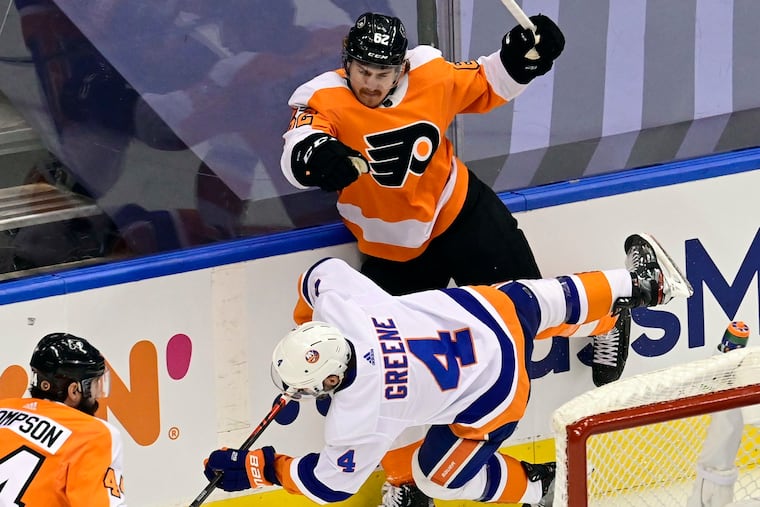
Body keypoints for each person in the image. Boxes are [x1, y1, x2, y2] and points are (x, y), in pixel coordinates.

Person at [280, 12, 570, 504]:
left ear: (400, 69)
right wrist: (320, 158)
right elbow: (299, 147)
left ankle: (609, 317)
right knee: (399, 377)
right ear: (346, 63)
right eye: (362, 71)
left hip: (459, 212)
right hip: (394, 253)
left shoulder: (429, 73)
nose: (371, 84)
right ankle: (408, 481)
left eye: (383, 73)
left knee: (530, 307)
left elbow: (486, 84)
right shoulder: (320, 96)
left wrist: (524, 56)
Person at [202, 233, 694, 506]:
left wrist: (259, 469)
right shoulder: (343, 310)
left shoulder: (358, 416)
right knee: (533, 301)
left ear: (330, 382)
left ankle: (536, 488)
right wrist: (309, 320)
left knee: (438, 476)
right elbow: (317, 276)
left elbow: (331, 486)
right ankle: (636, 287)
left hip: (495, 393)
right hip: (488, 313)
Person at [0, 333, 127, 506]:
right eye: (94, 385)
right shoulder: (93, 434)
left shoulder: (3, 408)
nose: (96, 397)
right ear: (74, 391)